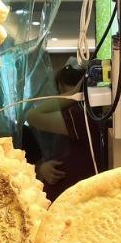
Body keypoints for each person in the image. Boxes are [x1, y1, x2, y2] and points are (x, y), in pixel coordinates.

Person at [26, 60, 106, 202]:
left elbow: (33, 116)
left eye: (63, 91)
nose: (61, 96)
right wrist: (43, 168)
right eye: (60, 92)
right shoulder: (77, 116)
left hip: (71, 199)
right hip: (62, 195)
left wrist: (74, 93)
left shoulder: (83, 117)